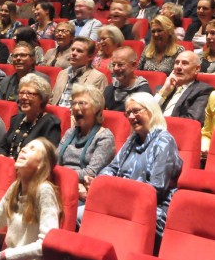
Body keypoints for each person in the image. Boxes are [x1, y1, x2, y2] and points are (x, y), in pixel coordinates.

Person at [81, 92, 182, 238]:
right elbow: (113, 168)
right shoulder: (133, 139)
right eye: (128, 113)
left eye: (136, 111)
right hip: (120, 202)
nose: (131, 117)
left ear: (151, 110)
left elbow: (155, 189)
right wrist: (99, 182)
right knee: (78, 215)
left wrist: (117, 194)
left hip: (150, 210)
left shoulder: (165, 142)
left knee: (86, 219)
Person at [58, 84, 115, 201]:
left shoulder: (105, 137)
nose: (76, 108)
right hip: (60, 183)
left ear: (96, 108)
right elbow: (55, 160)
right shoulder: (70, 132)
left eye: (82, 103)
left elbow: (90, 173)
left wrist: (60, 174)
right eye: (74, 103)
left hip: (81, 192)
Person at [0, 74, 62, 158]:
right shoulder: (16, 119)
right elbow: (3, 147)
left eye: (29, 93)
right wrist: (2, 157)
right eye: (21, 93)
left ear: (42, 98)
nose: (24, 97)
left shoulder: (50, 123)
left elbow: (47, 156)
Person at [154, 51, 214, 124]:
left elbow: (191, 121)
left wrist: (159, 122)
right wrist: (163, 92)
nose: (179, 67)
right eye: (177, 63)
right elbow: (146, 113)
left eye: (185, 63)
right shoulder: (163, 88)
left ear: (197, 69)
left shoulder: (203, 90)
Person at [49, 37, 108, 107]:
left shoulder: (98, 77)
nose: (73, 53)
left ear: (90, 57)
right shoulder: (62, 73)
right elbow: (51, 99)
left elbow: (97, 106)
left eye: (79, 51)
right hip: (55, 112)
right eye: (72, 49)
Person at [103, 46, 152, 111]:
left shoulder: (143, 92)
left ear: (133, 65)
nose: (115, 68)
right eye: (113, 65)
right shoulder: (109, 89)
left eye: (120, 64)